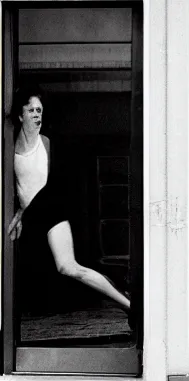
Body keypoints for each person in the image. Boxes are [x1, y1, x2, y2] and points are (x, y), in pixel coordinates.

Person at [8, 85, 131, 322]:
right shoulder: (10, 147)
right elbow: (15, 185)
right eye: (32, 110)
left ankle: (129, 304)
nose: (37, 115)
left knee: (69, 267)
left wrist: (25, 211)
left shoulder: (46, 143)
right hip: (31, 217)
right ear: (20, 115)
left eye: (40, 111)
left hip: (50, 210)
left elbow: (50, 184)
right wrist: (18, 210)